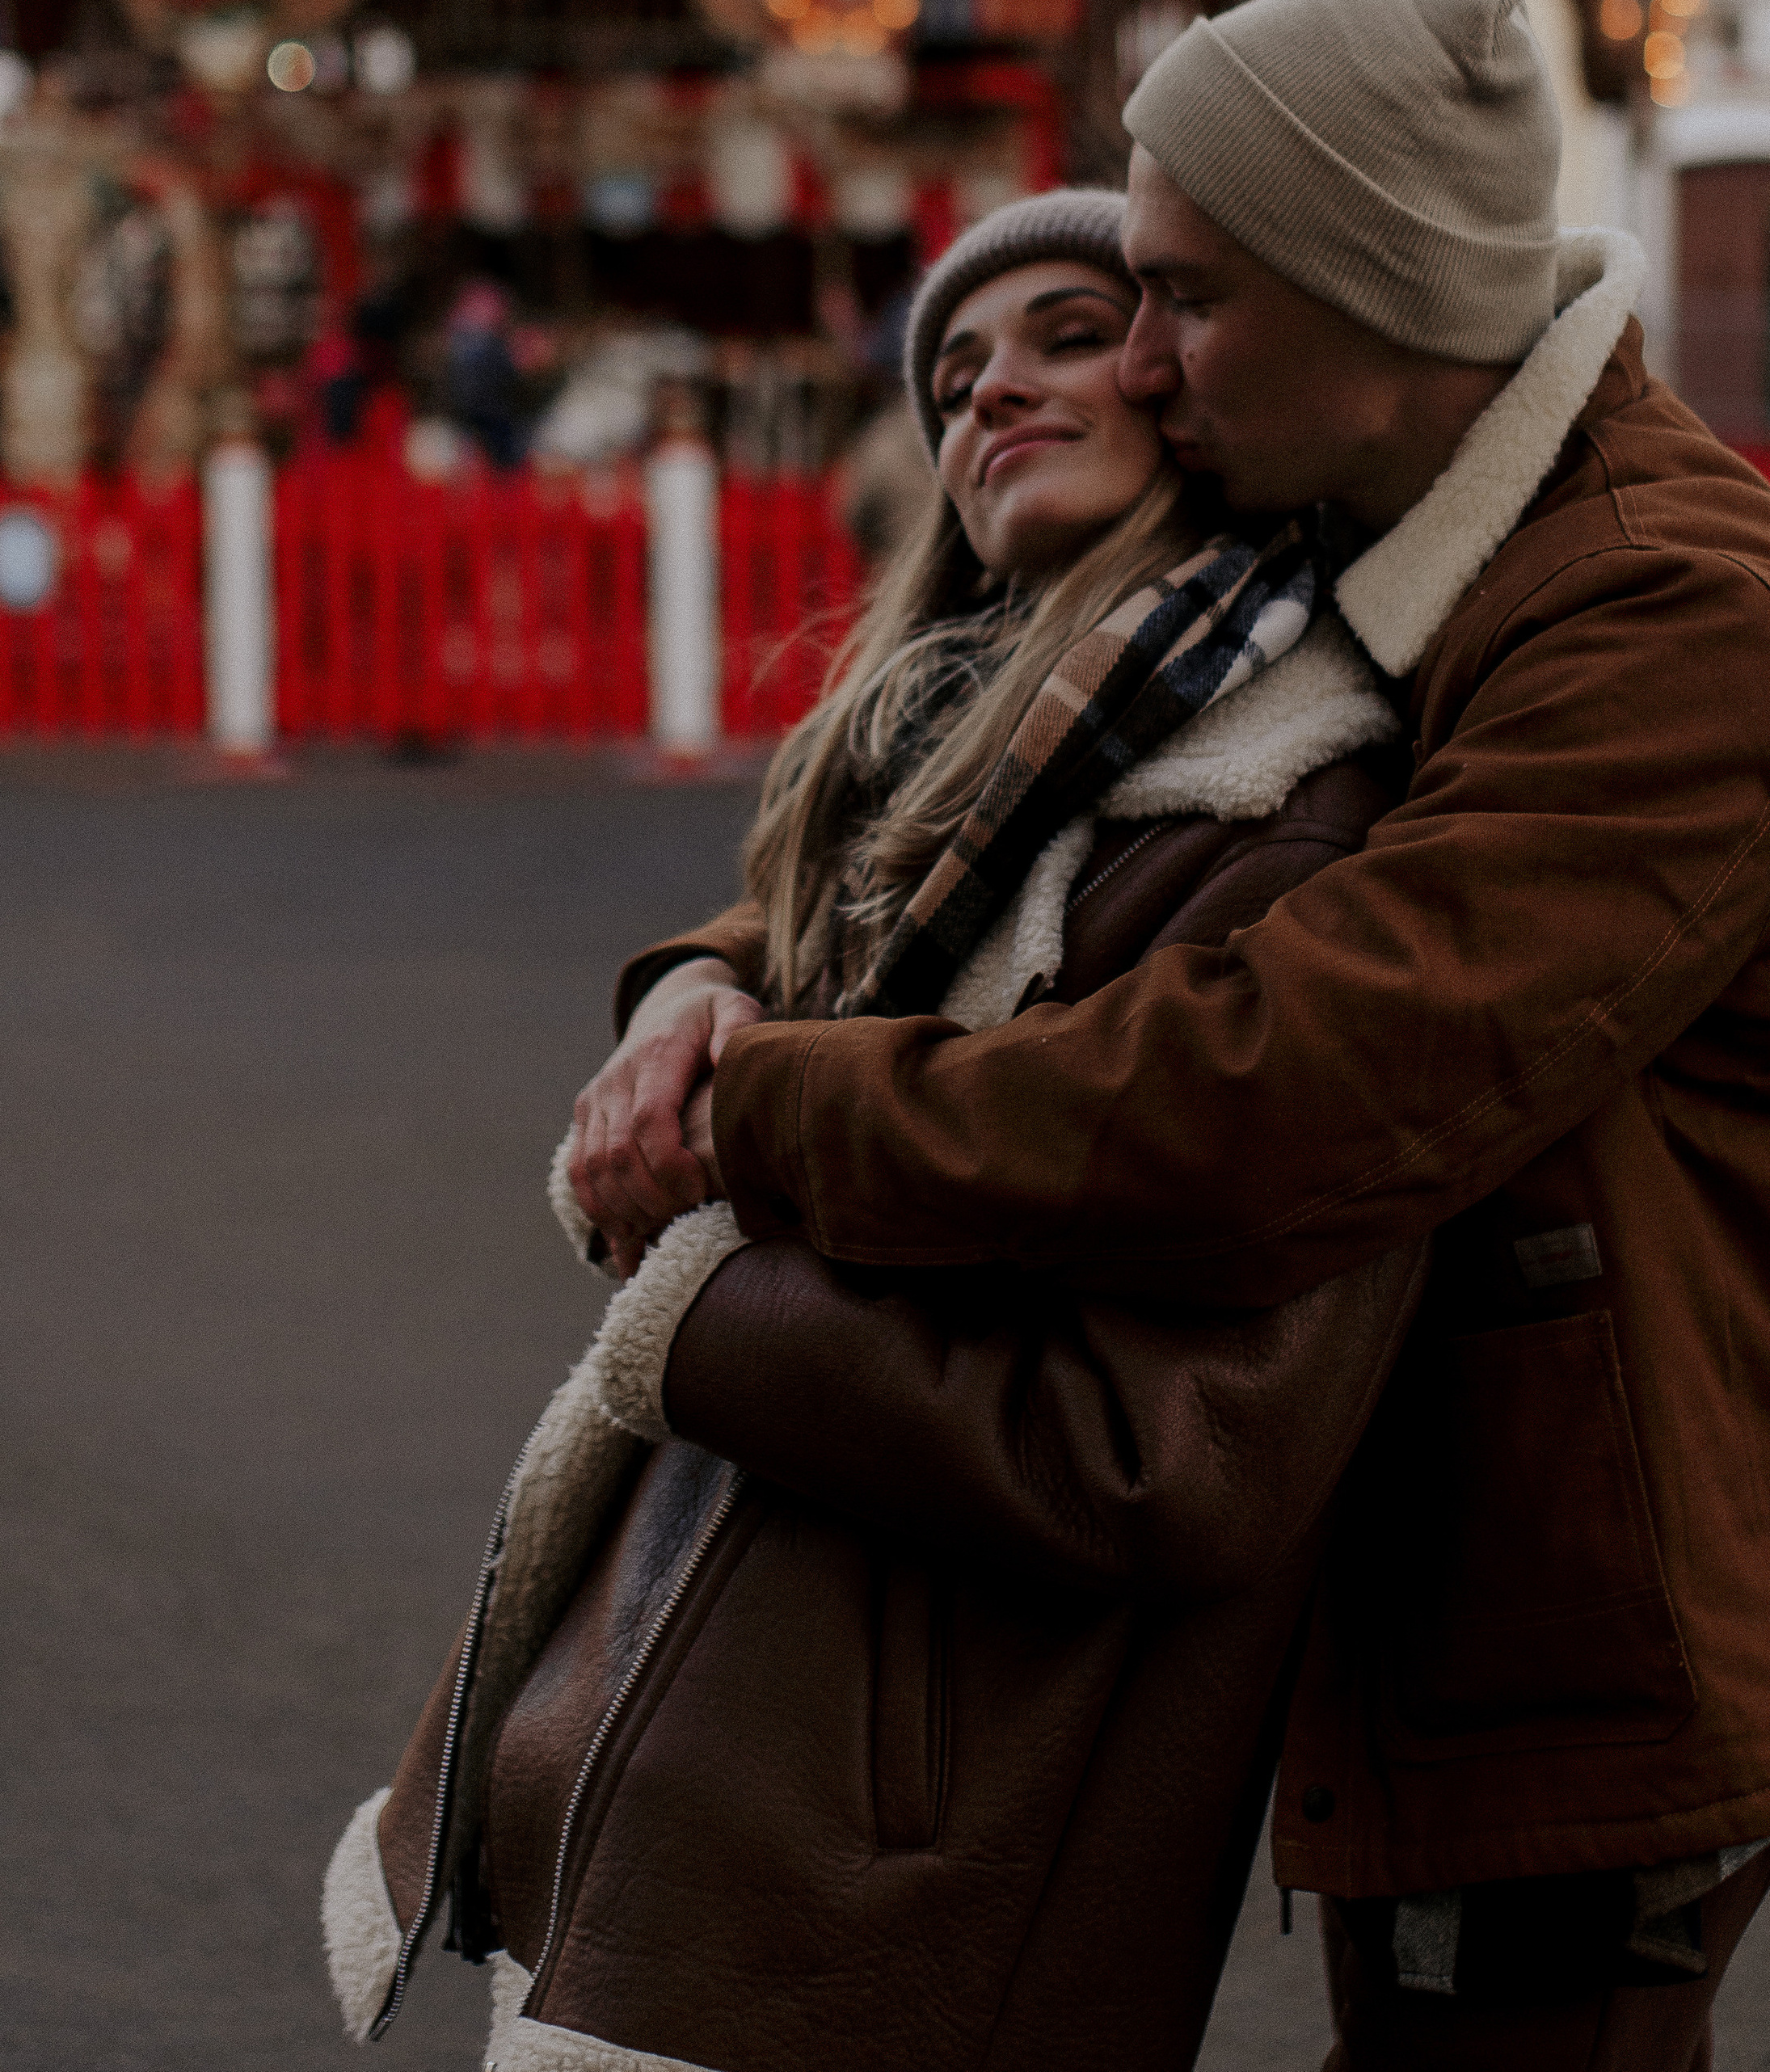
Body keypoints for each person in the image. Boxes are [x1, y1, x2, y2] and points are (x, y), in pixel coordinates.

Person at [573, 0, 1770, 2072]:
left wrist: (767, 1117)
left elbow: (1282, 1084)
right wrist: (717, 979)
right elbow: (1006, 844)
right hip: (1463, 1557)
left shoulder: (1668, 619)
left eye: (1184, 297)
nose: (1147, 362)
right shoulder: (1352, 550)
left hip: (1601, 1597)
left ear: (1376, 291)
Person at [325, 190, 1428, 2072]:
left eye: (1071, 331)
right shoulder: (931, 784)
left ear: (1191, 386)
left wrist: (705, 1305)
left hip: (911, 1860)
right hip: (721, 1761)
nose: (991, 384)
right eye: (951, 372)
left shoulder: (1283, 826)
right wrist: (697, 984)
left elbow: (1166, 1457)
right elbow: (865, 953)